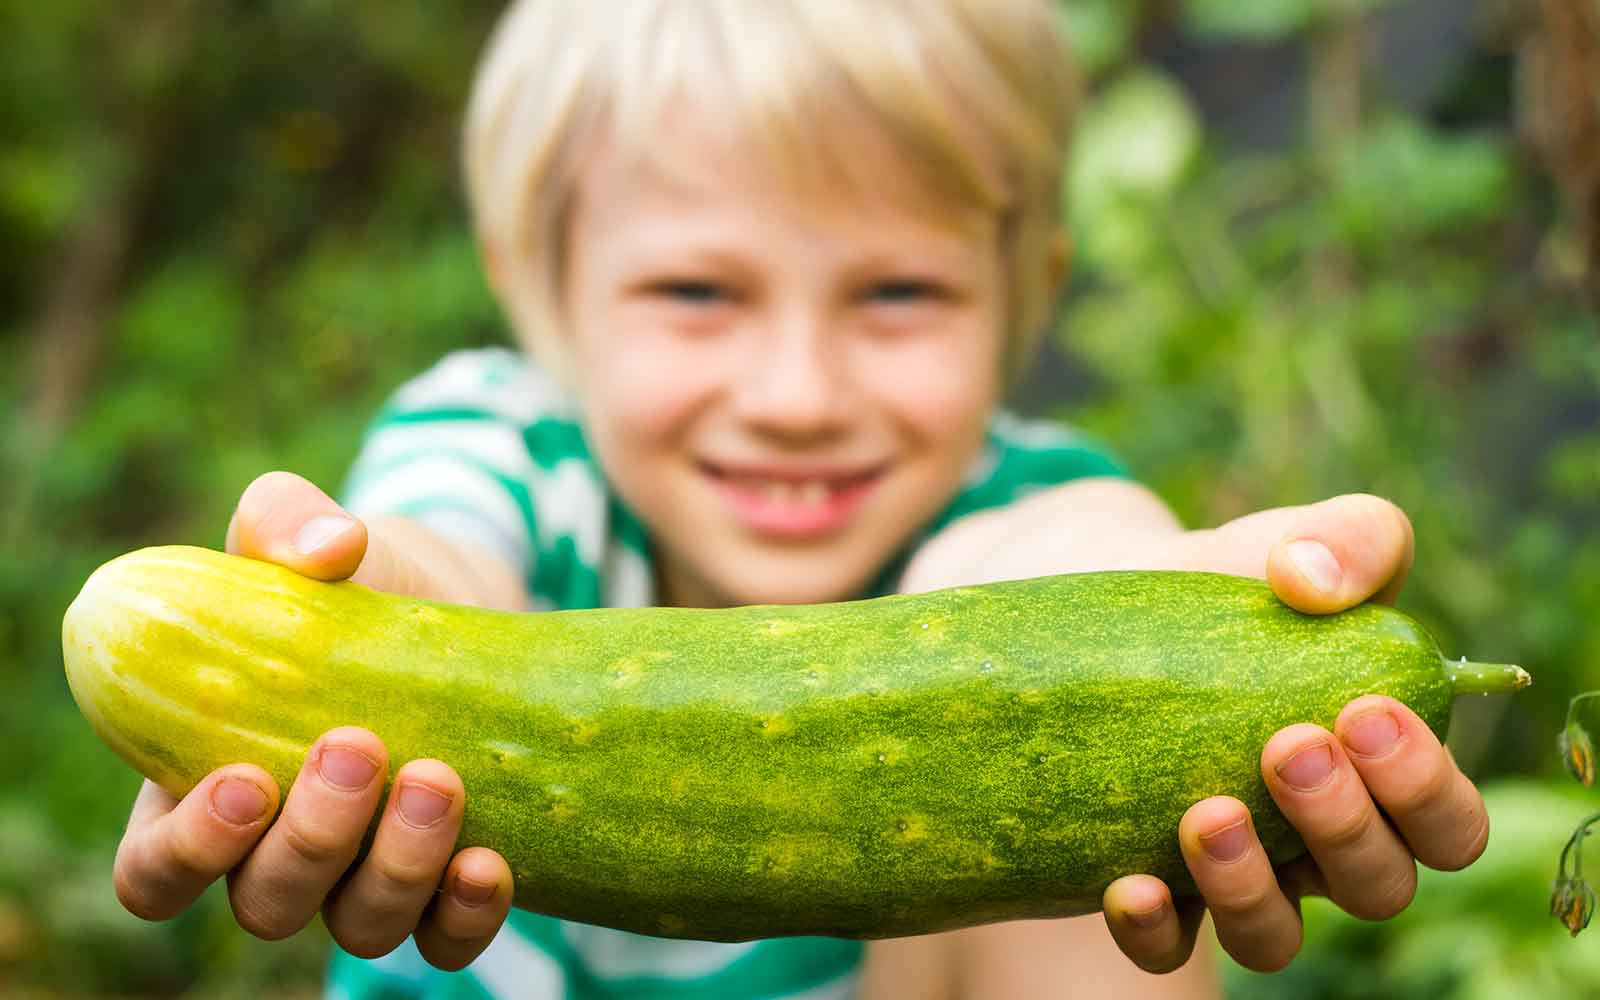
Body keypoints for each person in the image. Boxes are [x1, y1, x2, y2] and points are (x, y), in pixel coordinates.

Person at [107, 1, 1491, 996]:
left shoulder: (1019, 492)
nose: (798, 391)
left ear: (1028, 291)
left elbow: (1054, 576)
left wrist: (1206, 599)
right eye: (696, 292)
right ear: (541, 286)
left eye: (898, 294)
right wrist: (355, 632)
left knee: (1111, 893)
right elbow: (443, 559)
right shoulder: (502, 439)